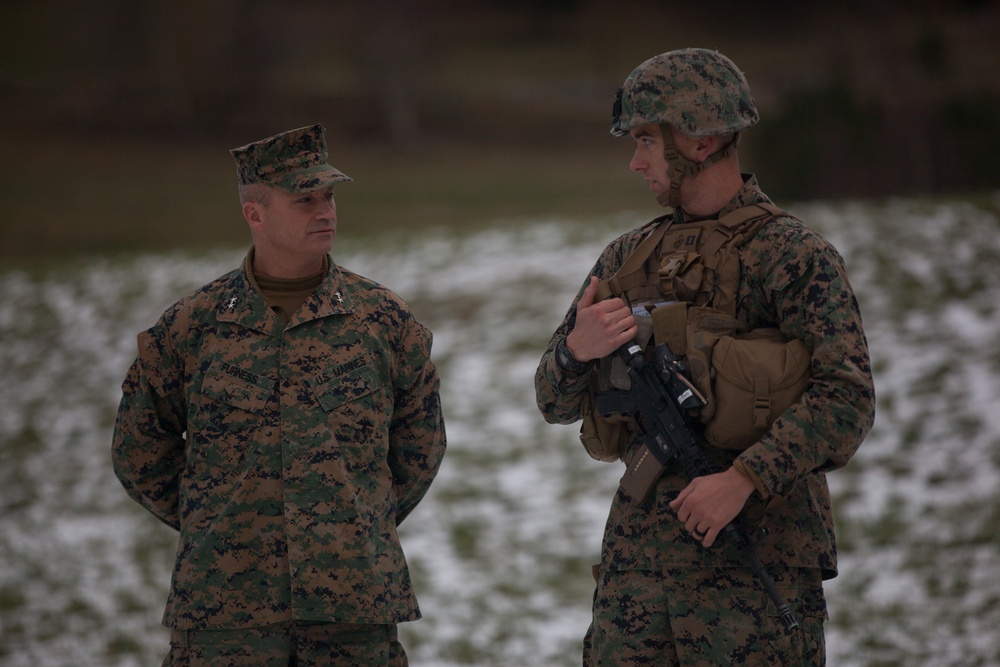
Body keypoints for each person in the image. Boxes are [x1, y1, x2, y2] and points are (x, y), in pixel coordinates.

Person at [534, 49, 875, 665]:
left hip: (751, 576)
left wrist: (745, 478)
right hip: (636, 584)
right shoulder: (626, 257)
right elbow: (551, 402)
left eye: (645, 139)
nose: (635, 162)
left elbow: (847, 401)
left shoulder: (791, 256)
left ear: (703, 138)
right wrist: (575, 351)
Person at [112, 124, 446, 666]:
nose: (325, 211)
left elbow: (420, 448)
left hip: (353, 612)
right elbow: (138, 450)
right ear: (255, 214)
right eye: (304, 199)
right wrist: (219, 518)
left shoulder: (383, 320)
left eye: (330, 196)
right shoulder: (192, 327)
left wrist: (349, 519)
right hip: (226, 615)